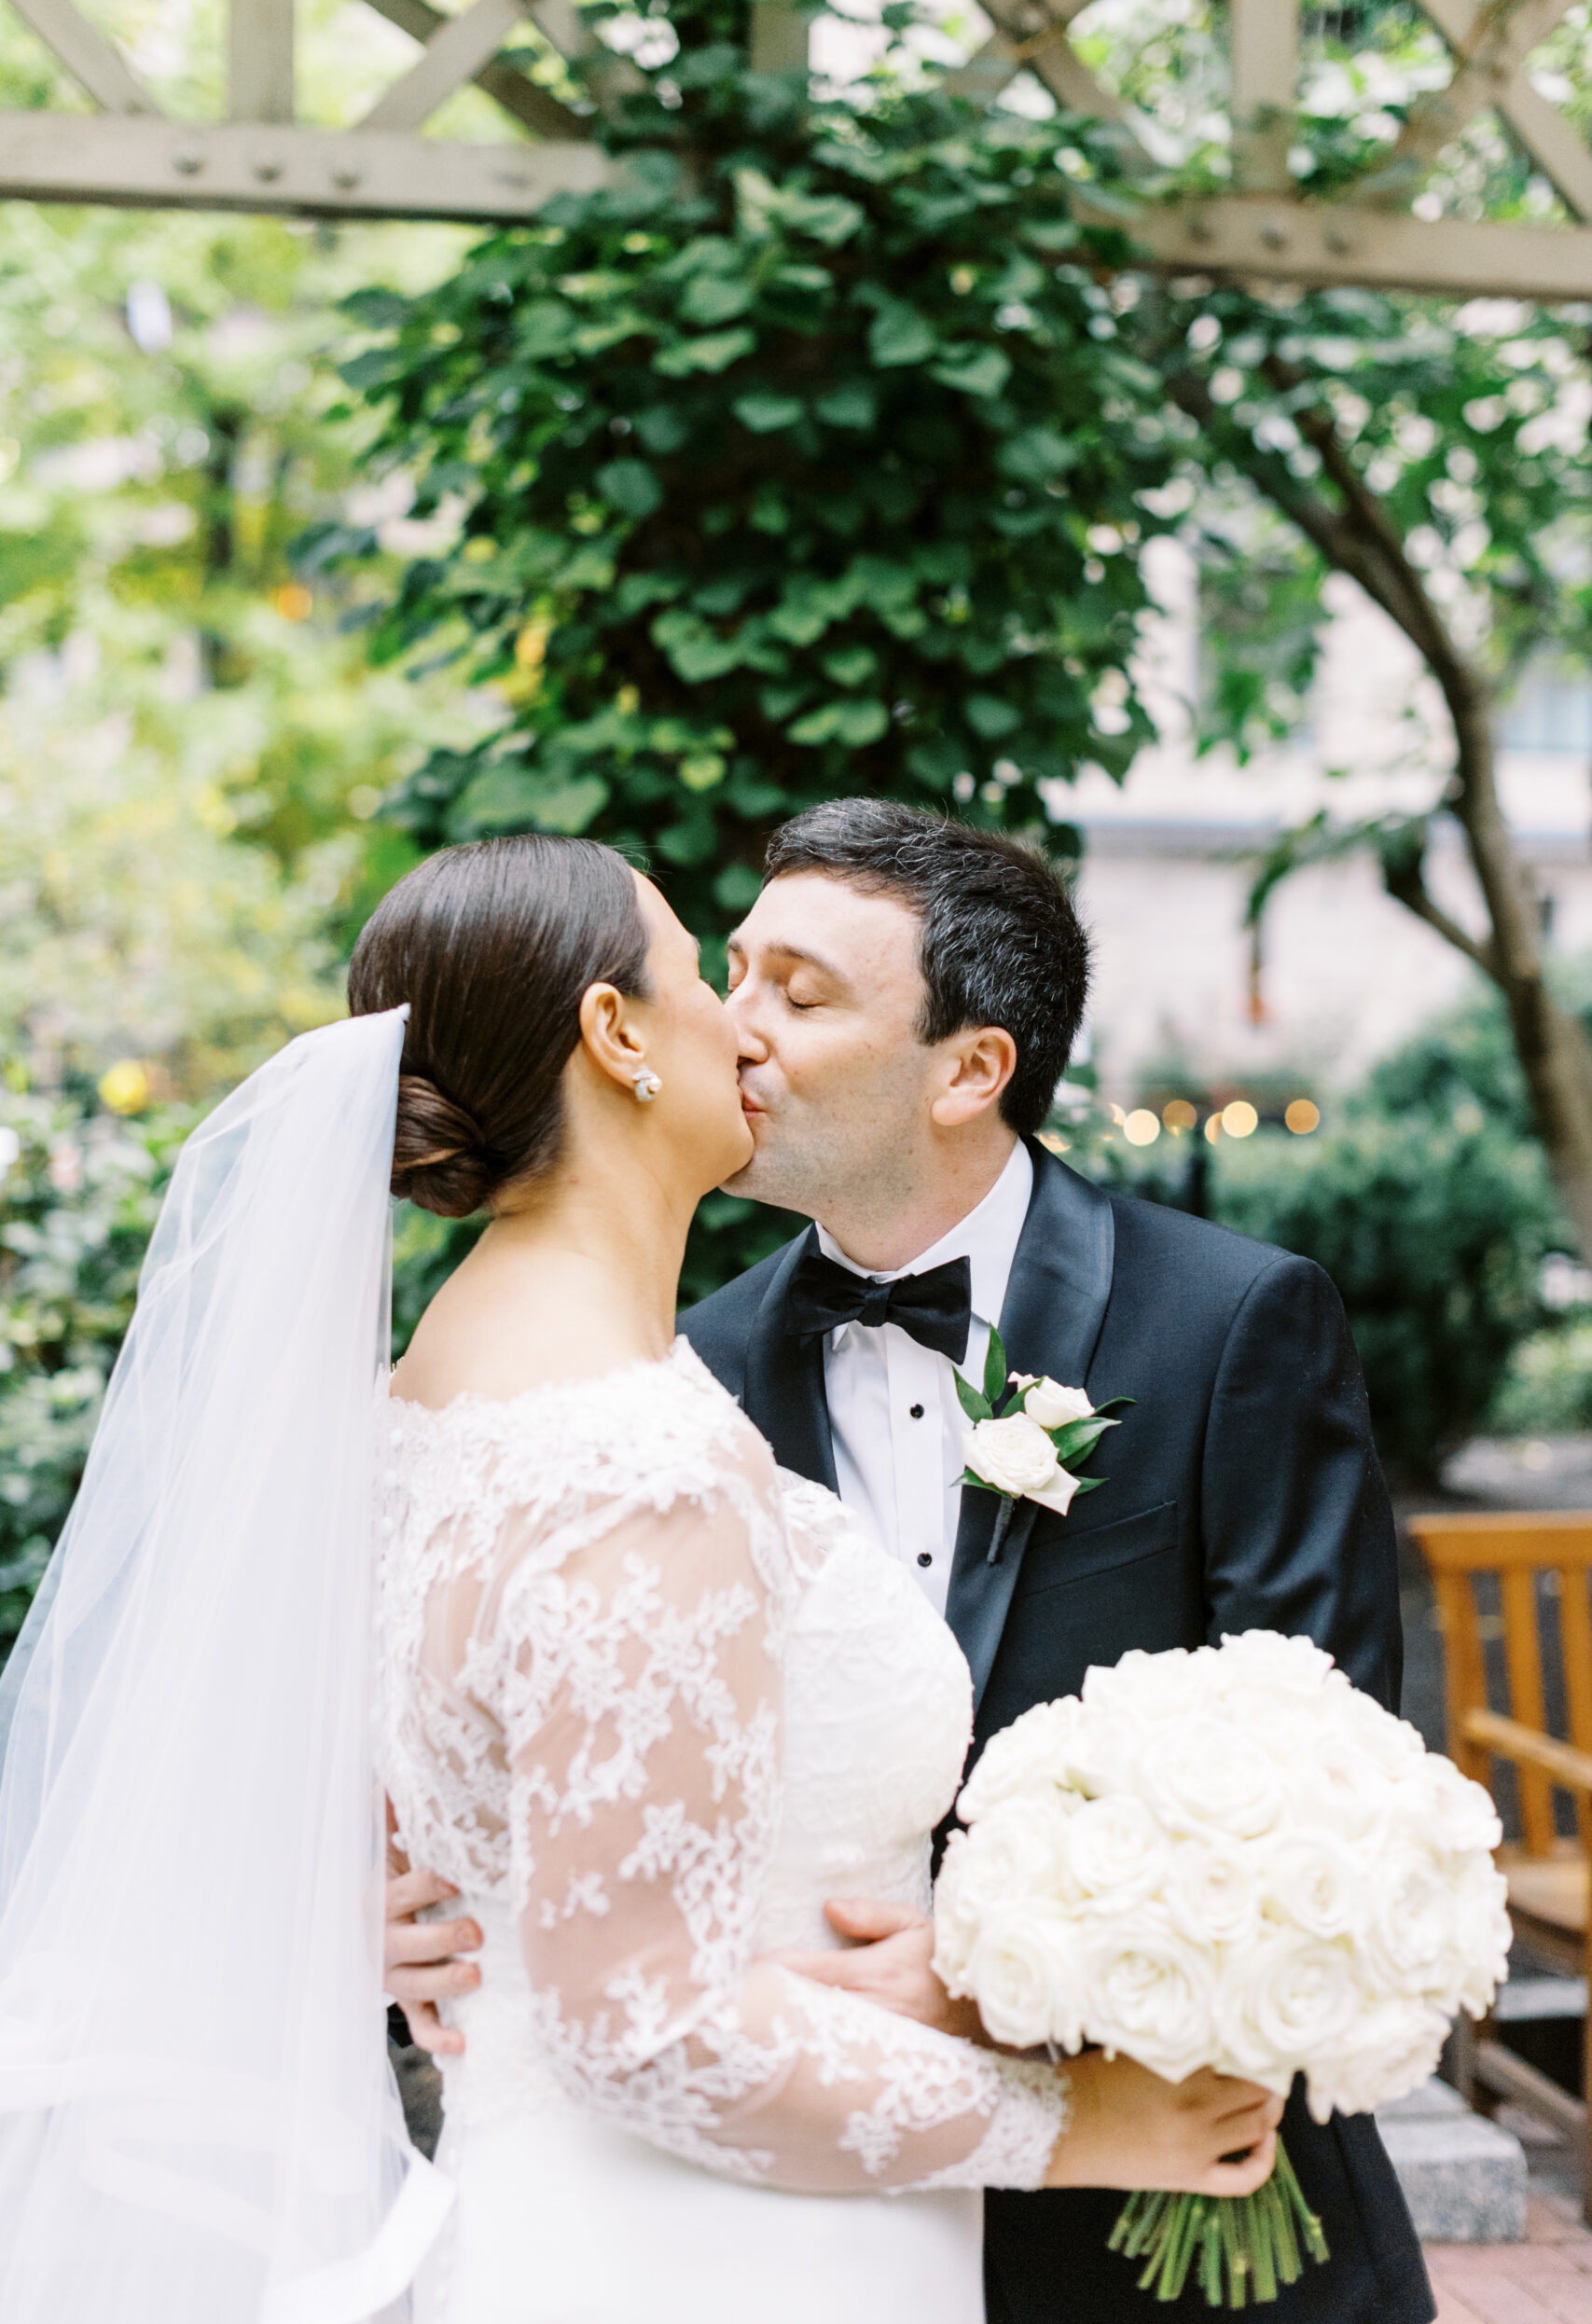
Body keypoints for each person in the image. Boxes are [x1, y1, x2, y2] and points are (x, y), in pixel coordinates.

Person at [0, 830, 1280, 2324]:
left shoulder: (424, 1416)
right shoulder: (635, 1468)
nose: (743, 1026)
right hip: (729, 2252)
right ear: (615, 1035)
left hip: (605, 2219)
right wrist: (1073, 2125)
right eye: (701, 975)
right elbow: (647, 2027)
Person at [390, 803, 1434, 2324]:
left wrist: (1024, 1974)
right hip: (761, 2213)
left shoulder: (1229, 1326)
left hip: (1173, 2207)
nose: (740, 1031)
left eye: (799, 997)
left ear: (969, 1070)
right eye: (729, 974)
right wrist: (400, 1889)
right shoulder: (671, 1383)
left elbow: (1339, 1777)